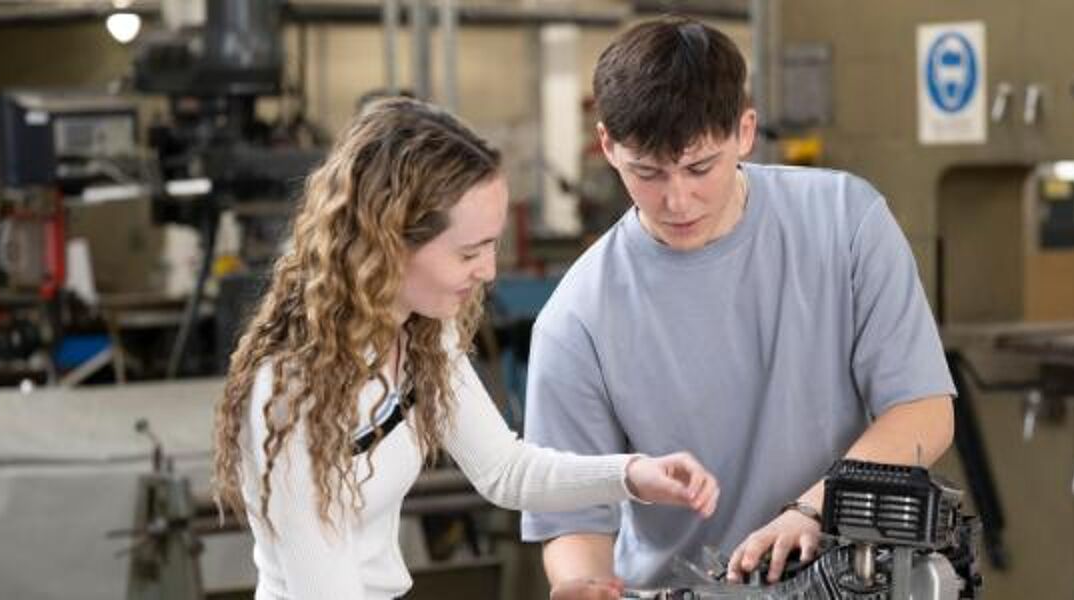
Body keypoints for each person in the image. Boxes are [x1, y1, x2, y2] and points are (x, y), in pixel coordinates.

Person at [211, 97, 720, 600]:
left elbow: (505, 470)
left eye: (491, 244)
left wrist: (633, 474)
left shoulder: (422, 335)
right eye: (468, 252)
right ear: (390, 244)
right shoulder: (292, 393)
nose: (488, 271)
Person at [521, 17, 957, 598]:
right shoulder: (576, 320)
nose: (676, 199)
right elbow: (574, 517)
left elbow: (924, 413)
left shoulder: (847, 224)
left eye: (700, 167)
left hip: (852, 576)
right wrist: (582, 584)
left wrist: (812, 511)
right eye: (646, 173)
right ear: (607, 146)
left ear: (745, 131)